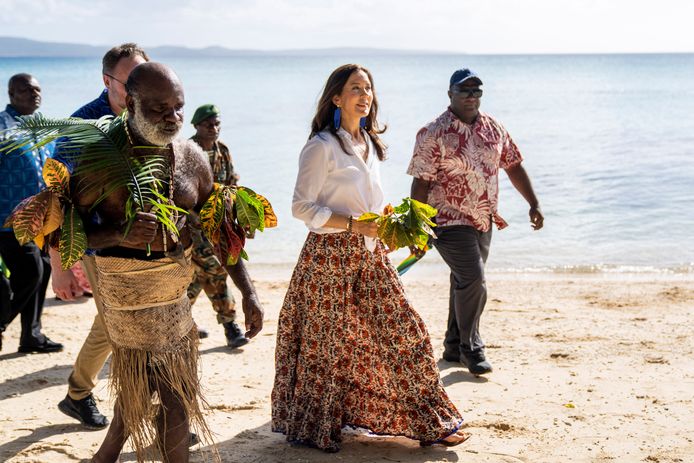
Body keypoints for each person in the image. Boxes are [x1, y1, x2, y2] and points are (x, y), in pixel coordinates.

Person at [64, 62, 263, 462]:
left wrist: (249, 291)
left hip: (174, 292)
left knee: (148, 388)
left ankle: (106, 454)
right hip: (126, 293)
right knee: (175, 391)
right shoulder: (100, 157)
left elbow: (221, 231)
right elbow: (66, 236)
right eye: (159, 109)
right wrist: (121, 234)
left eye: (179, 108)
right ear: (131, 104)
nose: (172, 118)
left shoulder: (192, 158)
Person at [271, 64, 470, 453]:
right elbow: (301, 207)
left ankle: (432, 421)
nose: (365, 95)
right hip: (328, 259)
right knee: (327, 347)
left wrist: (397, 227)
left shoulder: (369, 143)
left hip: (370, 253)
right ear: (336, 98)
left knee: (405, 331)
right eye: (355, 89)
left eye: (369, 89)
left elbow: (369, 205)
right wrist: (353, 226)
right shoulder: (321, 146)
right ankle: (318, 425)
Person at [407, 68, 544, 375]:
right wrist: (417, 225)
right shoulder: (433, 132)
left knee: (464, 281)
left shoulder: (494, 128)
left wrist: (533, 203)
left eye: (477, 90)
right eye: (464, 90)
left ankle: (454, 345)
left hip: (483, 219)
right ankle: (472, 347)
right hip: (445, 219)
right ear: (450, 94)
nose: (471, 96)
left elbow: (514, 166)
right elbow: (421, 183)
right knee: (474, 279)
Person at [56, 42, 149, 430]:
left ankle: (77, 394)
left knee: (115, 323)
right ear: (106, 81)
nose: (138, 91)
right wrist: (60, 263)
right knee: (124, 324)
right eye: (130, 82)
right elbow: (56, 197)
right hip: (97, 240)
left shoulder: (149, 118)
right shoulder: (82, 125)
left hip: (144, 239)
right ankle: (159, 412)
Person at [0, 73, 63, 354]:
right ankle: (0, 323)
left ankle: (32, 335)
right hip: (8, 219)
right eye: (26, 90)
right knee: (30, 270)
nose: (34, 94)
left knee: (45, 267)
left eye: (37, 89)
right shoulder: (2, 127)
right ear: (12, 93)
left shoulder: (44, 128)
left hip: (42, 219)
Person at [187, 104, 248, 348]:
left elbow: (232, 185)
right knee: (213, 271)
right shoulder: (188, 151)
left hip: (220, 227)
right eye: (209, 124)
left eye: (217, 124)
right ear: (197, 126)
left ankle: (180, 320)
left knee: (200, 276)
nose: (214, 129)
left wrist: (240, 219)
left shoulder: (223, 151)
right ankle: (229, 325)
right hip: (193, 228)